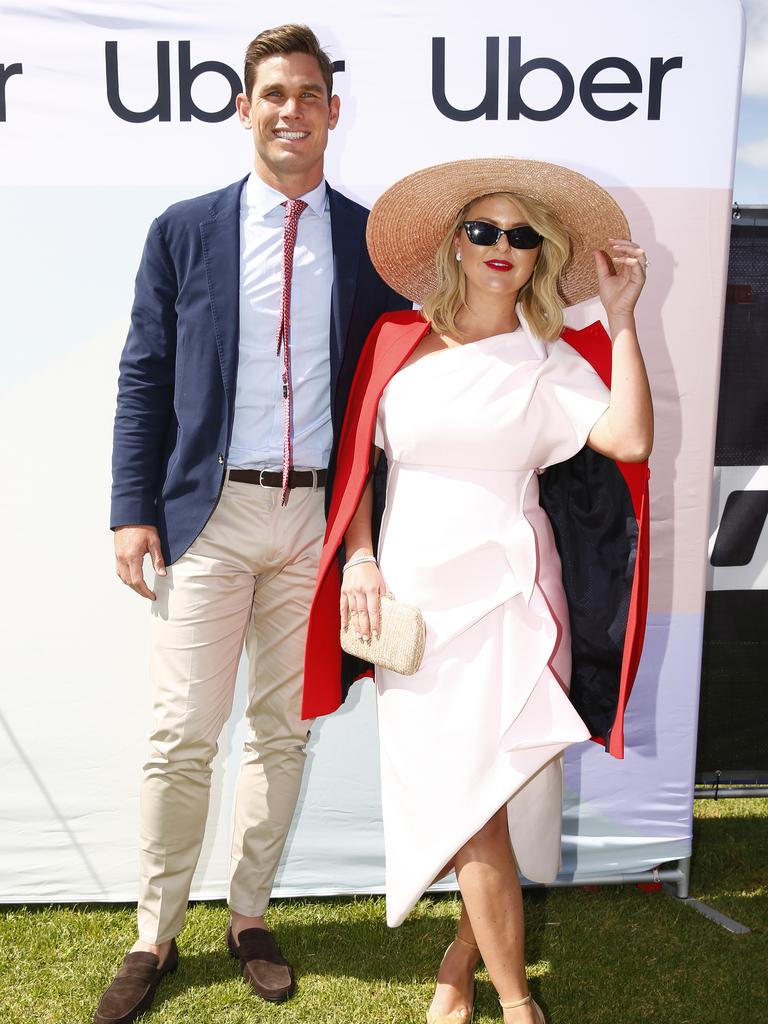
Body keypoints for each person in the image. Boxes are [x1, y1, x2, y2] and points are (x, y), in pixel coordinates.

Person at [97, 23, 409, 1024]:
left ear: (331, 110)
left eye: (308, 93)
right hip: (209, 514)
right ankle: (154, 931)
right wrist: (129, 509)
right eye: (271, 92)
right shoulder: (184, 230)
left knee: (283, 732)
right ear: (245, 107)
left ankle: (250, 915)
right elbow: (144, 373)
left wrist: (365, 540)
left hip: (316, 520)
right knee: (181, 734)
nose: (290, 109)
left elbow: (379, 400)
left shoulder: (369, 241)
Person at [301, 157, 652, 1024]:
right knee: (463, 796)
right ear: (454, 242)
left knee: (483, 797)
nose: (502, 246)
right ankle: (466, 967)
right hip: (410, 599)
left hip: (509, 595)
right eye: (484, 229)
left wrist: (622, 319)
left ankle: (510, 999)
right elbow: (360, 473)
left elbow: (632, 440)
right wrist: (359, 560)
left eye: (523, 234)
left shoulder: (554, 362)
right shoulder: (394, 340)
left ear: (541, 254)